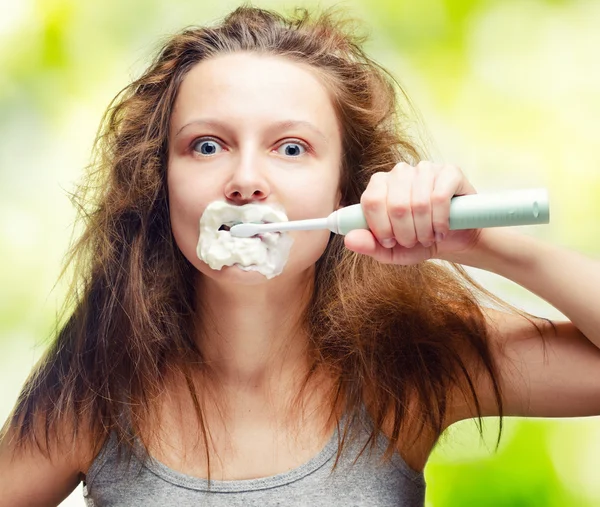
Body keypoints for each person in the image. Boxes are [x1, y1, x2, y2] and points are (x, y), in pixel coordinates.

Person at [1, 5, 599, 506]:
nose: (246, 179)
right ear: (161, 184)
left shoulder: (413, 360)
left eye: (291, 148)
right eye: (207, 145)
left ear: (345, 189)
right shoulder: (99, 380)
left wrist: (480, 244)